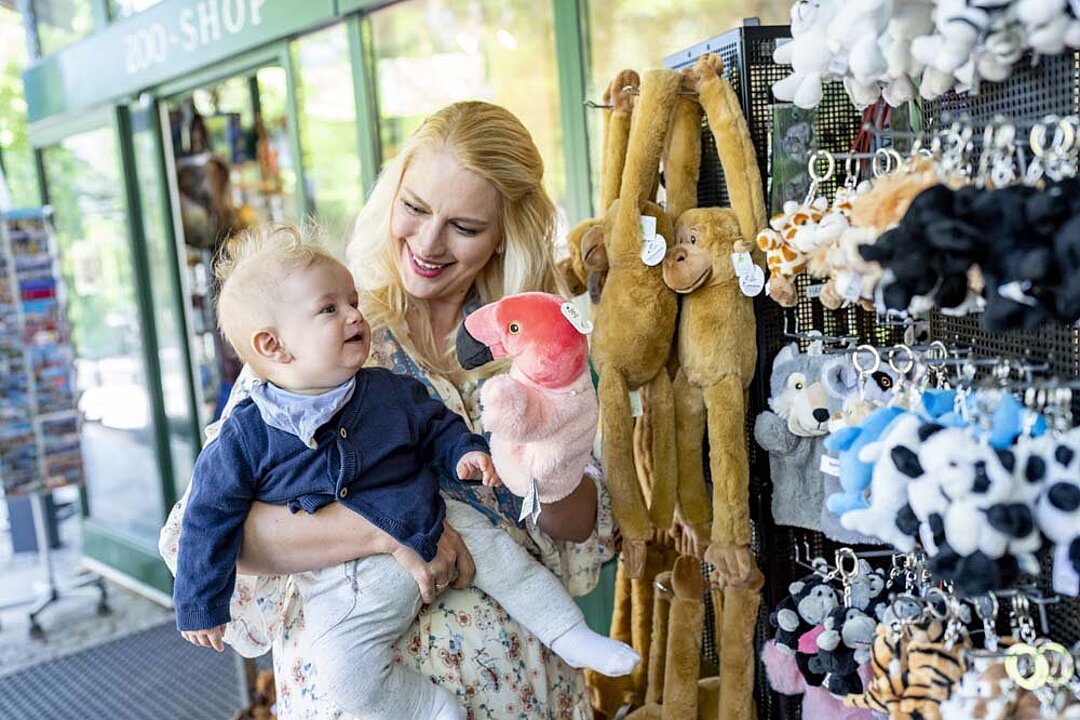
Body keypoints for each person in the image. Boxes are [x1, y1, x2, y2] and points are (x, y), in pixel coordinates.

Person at [160, 101, 616, 719]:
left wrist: (551, 453)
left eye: (464, 226)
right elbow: (213, 528)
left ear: (505, 231)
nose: (428, 242)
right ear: (392, 195)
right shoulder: (320, 334)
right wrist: (394, 528)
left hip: (522, 688)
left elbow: (580, 525)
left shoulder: (534, 340)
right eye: (417, 208)